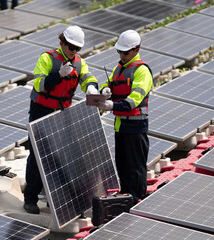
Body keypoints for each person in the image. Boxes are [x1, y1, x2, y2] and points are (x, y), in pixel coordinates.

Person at [23, 25, 99, 214]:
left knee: (60, 155)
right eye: (71, 47)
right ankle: (30, 199)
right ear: (62, 43)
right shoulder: (47, 58)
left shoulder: (80, 63)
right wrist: (58, 75)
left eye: (77, 49)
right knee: (38, 156)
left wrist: (92, 88)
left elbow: (87, 77)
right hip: (41, 111)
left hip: (62, 113)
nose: (73, 52)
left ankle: (56, 200)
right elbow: (39, 85)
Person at [97, 30, 153, 205]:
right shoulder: (118, 68)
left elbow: (133, 101)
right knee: (122, 164)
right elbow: (109, 85)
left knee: (134, 167)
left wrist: (111, 105)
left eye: (125, 52)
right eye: (119, 51)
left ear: (136, 49)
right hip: (120, 125)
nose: (122, 55)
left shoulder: (142, 71)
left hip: (136, 127)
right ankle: (127, 196)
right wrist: (104, 91)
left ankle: (136, 199)